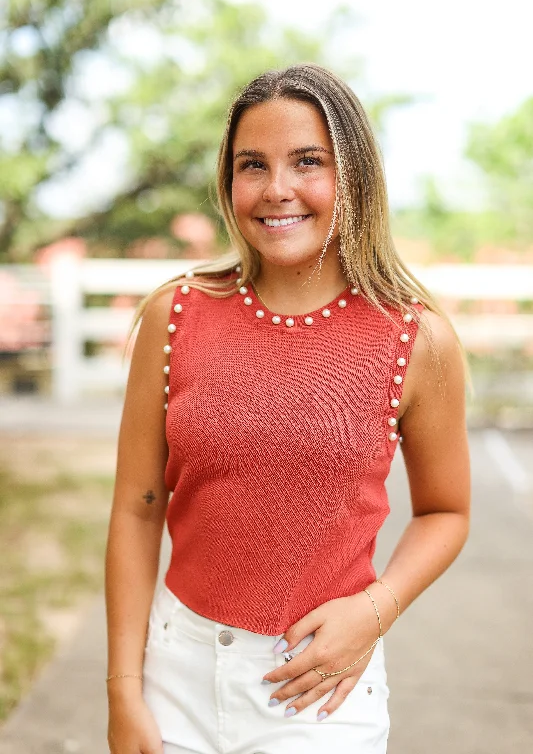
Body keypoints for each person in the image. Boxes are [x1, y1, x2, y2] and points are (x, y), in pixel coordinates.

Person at [105, 64, 470, 754]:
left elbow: (445, 512)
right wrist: (124, 689)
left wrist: (374, 611)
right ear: (228, 182)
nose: (277, 190)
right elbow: (136, 507)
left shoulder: (415, 339)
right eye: (252, 165)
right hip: (174, 673)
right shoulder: (174, 314)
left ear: (354, 176)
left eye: (308, 162)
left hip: (319, 691)